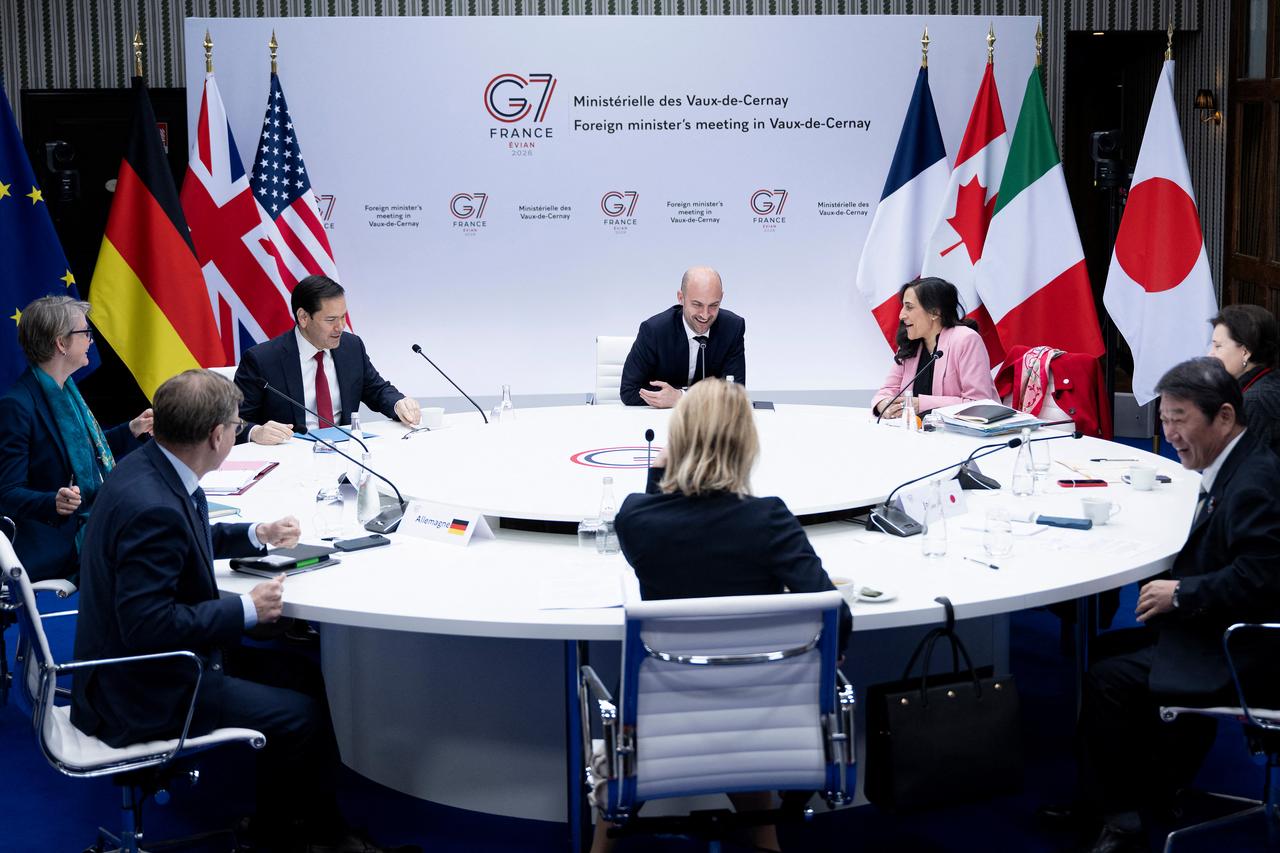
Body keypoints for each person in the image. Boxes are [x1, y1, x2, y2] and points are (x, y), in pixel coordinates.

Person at [70, 370, 417, 853]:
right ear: (217, 436)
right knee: (299, 717)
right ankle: (281, 838)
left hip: (139, 663)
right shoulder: (153, 503)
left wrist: (256, 534)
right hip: (142, 686)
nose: (237, 432)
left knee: (302, 676)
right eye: (235, 425)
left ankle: (318, 827)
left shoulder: (154, 467)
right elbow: (146, 627)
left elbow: (186, 540)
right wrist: (246, 610)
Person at [606, 379, 851, 853]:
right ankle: (764, 839)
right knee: (744, 688)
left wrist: (664, 473)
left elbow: (656, 516)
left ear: (678, 439)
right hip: (761, 717)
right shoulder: (770, 520)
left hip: (659, 723)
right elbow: (835, 617)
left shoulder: (636, 519)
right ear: (746, 445)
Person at [1069, 358, 1280, 853]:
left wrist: (1180, 593)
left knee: (1107, 679)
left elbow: (1262, 579)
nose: (1170, 433)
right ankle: (1135, 793)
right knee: (1105, 653)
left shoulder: (1256, 481)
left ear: (1224, 417)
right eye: (1164, 420)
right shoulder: (1238, 461)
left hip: (1247, 650)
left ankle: (1123, 821)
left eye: (1180, 419)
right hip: (1222, 627)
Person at [0, 296, 152, 583]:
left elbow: (84, 452)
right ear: (61, 343)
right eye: (85, 333)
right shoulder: (17, 406)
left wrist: (131, 429)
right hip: (57, 539)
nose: (91, 341)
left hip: (90, 521)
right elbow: (7, 493)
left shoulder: (68, 392)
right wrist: (52, 502)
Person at [234, 274, 420, 444]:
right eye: (331, 320)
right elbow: (231, 422)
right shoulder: (262, 359)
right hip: (290, 456)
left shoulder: (352, 347)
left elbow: (377, 390)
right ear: (303, 317)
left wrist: (399, 404)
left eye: (343, 317)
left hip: (346, 452)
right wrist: (256, 432)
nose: (340, 327)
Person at [870, 277, 998, 419]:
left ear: (934, 312)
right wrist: (886, 406)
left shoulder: (966, 339)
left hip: (964, 435)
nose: (901, 315)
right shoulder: (909, 344)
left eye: (909, 307)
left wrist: (922, 404)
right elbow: (886, 391)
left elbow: (979, 403)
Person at [619, 266, 746, 408]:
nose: (705, 315)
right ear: (681, 298)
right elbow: (629, 390)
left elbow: (735, 392)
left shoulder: (733, 328)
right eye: (697, 304)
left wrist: (682, 397)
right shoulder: (654, 331)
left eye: (713, 305)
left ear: (721, 298)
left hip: (709, 422)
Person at [1207, 303, 1280, 455]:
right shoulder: (1266, 381)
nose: (1210, 354)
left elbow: (1247, 468)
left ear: (1245, 352)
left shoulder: (1257, 401)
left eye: (1218, 346)